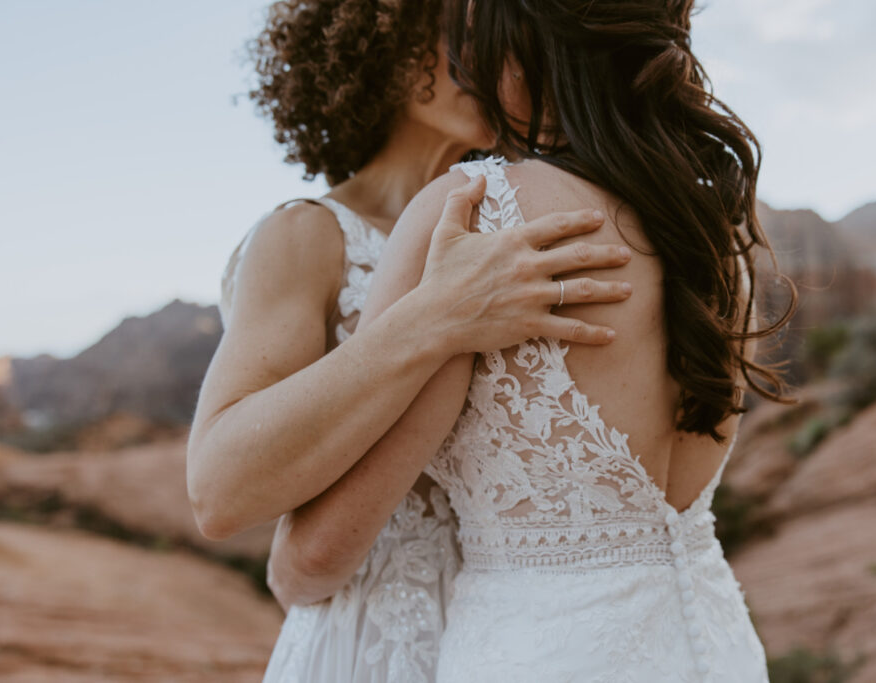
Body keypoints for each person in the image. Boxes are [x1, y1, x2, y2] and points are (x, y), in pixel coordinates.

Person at [269, 0, 800, 680]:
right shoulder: (715, 235)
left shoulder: (474, 212)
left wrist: (285, 567)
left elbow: (315, 557)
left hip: (541, 655)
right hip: (715, 644)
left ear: (518, 44)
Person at [186, 1, 634, 681]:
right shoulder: (305, 235)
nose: (485, 61)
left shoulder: (525, 222)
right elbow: (219, 490)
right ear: (377, 42)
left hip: (529, 640)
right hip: (368, 646)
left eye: (504, 41)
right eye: (456, 33)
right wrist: (435, 316)